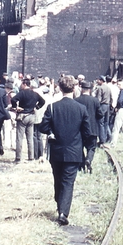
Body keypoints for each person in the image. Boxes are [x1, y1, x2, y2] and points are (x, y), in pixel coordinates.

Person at [38, 75, 93, 226]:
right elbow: (87, 132)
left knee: (57, 179)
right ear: (75, 88)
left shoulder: (53, 107)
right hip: (74, 152)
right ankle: (63, 212)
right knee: (68, 182)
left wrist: (51, 131)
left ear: (60, 88)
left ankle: (59, 206)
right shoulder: (81, 109)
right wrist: (89, 149)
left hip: (56, 151)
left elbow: (42, 127)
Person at [10, 78, 45, 162]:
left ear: (25, 84)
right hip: (32, 115)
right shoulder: (35, 93)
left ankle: (18, 157)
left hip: (22, 116)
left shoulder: (22, 93)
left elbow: (13, 99)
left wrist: (15, 107)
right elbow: (42, 101)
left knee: (19, 138)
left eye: (22, 84)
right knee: (30, 138)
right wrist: (36, 107)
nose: (20, 85)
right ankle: (31, 157)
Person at [74, 80, 102, 173]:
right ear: (90, 90)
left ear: (81, 89)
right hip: (92, 129)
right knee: (91, 147)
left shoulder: (76, 100)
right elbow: (100, 114)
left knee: (79, 147)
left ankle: (81, 165)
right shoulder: (95, 101)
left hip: (80, 129)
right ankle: (88, 159)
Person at [109, 80, 123, 152]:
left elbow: (120, 101)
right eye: (118, 84)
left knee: (116, 129)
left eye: (120, 84)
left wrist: (117, 108)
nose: (118, 86)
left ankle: (112, 145)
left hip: (121, 111)